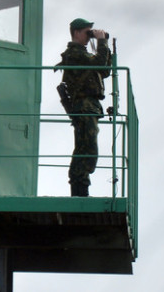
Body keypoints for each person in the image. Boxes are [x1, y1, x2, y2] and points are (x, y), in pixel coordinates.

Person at [58, 18, 111, 197]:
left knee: (86, 148)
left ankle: (80, 187)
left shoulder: (84, 55)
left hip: (90, 106)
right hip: (83, 106)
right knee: (87, 148)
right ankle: (80, 188)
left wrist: (105, 46)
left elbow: (104, 71)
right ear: (76, 33)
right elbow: (99, 64)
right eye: (87, 32)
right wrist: (101, 42)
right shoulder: (74, 53)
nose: (89, 36)